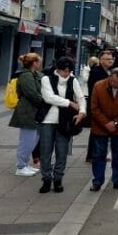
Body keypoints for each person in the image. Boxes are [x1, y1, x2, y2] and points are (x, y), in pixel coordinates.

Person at [38, 57, 85, 193]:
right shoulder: (46, 79)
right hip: (47, 120)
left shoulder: (73, 80)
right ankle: (46, 178)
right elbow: (48, 97)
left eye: (69, 71)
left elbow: (81, 97)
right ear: (57, 69)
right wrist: (69, 103)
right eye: (64, 71)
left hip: (65, 121)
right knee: (45, 151)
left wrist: (82, 111)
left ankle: (58, 179)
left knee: (62, 151)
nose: (67, 73)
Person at [89, 68, 118, 191]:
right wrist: (106, 123)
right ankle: (97, 181)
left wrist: (115, 122)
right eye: (115, 82)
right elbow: (94, 108)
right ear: (110, 78)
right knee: (99, 154)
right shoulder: (98, 86)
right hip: (100, 126)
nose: (117, 85)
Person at [9, 53, 45, 177]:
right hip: (27, 111)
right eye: (38, 61)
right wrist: (44, 102)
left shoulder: (32, 74)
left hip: (32, 110)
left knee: (33, 139)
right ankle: (20, 166)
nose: (40, 63)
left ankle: (24, 164)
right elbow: (31, 93)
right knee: (27, 140)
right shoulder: (25, 76)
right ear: (34, 63)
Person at [85, 51, 114, 161]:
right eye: (107, 59)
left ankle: (96, 155)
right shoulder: (97, 72)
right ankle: (93, 155)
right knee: (97, 131)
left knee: (101, 132)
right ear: (101, 60)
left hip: (105, 106)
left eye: (111, 59)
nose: (110, 60)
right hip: (98, 106)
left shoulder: (108, 71)